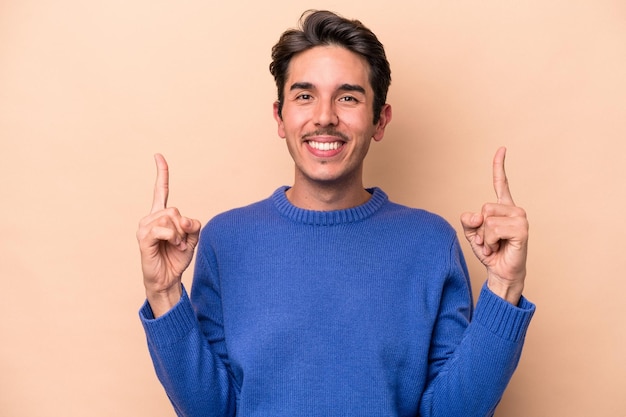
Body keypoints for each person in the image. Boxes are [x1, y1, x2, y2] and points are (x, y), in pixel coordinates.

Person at [137, 10, 535, 417]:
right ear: (280, 116)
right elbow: (211, 410)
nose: (324, 116)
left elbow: (452, 412)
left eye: (347, 97)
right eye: (304, 96)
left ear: (380, 119)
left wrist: (505, 287)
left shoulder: (430, 242)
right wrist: (164, 294)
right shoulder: (227, 239)